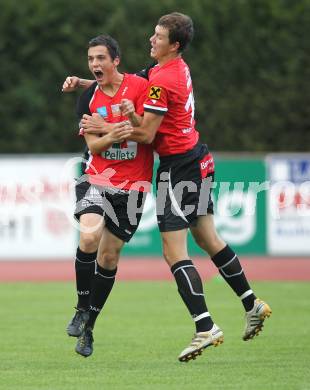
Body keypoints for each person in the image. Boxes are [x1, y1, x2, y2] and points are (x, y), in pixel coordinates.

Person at [66, 13, 272, 363]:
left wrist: (107, 124)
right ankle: (252, 303)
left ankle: (205, 326)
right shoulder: (173, 69)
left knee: (173, 251)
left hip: (179, 169)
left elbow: (146, 134)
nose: (151, 39)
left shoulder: (162, 81)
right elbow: (125, 83)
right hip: (199, 158)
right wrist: (87, 84)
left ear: (173, 44)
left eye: (158, 36)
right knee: (209, 238)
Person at [64, 34, 154, 358]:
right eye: (91, 59)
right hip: (98, 178)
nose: (95, 65)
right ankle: (79, 307)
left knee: (109, 258)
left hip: (134, 186)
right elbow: (93, 146)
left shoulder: (141, 87)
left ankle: (89, 328)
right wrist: (111, 131)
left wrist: (111, 124)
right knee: (89, 236)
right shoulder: (88, 98)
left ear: (116, 60)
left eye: (101, 58)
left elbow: (148, 129)